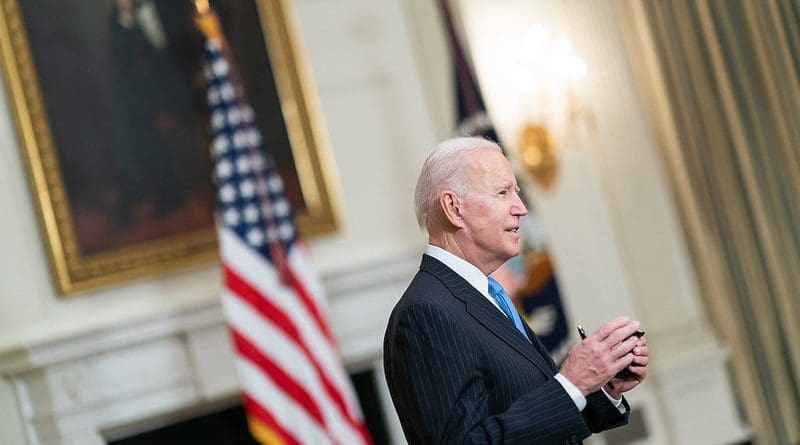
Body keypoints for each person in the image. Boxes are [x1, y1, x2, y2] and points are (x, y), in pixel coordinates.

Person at [383, 137, 649, 444]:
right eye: (502, 192)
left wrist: (600, 383)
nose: (521, 209)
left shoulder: (486, 294)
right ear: (454, 208)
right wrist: (571, 383)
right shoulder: (426, 312)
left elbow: (531, 411)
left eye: (517, 193)